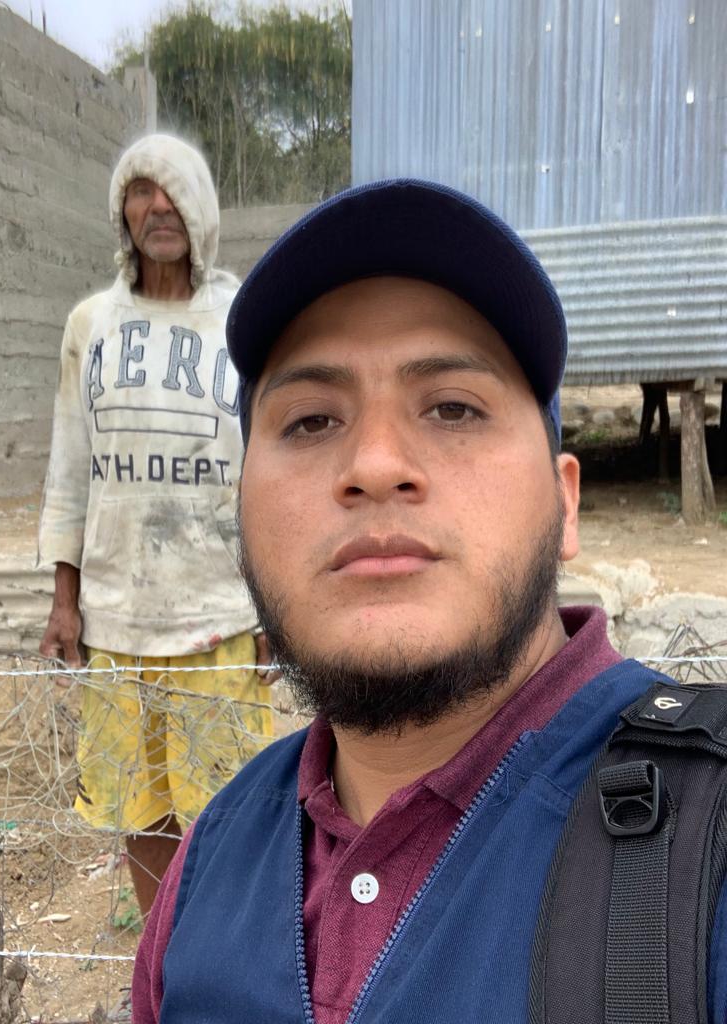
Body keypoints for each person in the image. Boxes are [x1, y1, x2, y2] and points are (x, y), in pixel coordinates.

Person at [130, 179, 727, 1023]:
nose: (375, 464)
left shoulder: (710, 845)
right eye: (310, 421)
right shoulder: (208, 860)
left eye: (453, 407)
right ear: (242, 511)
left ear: (565, 504)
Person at [37, 133, 272, 919]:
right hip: (117, 618)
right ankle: (160, 953)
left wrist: (270, 605)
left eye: (175, 191)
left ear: (202, 208)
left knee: (227, 811)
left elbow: (269, 470)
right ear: (122, 211)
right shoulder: (91, 324)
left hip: (219, 618)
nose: (159, 206)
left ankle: (220, 950)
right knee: (140, 811)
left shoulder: (243, 320)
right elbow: (70, 465)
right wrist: (65, 600)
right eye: (142, 191)